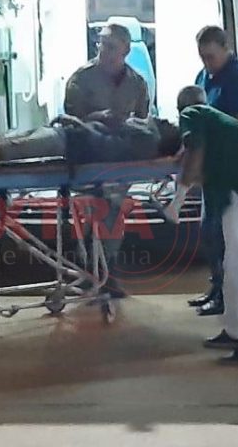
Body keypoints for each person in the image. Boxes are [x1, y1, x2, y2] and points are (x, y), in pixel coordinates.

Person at [164, 85, 238, 364]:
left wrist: (178, 200)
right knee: (234, 264)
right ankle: (237, 330)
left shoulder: (192, 113)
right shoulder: (217, 121)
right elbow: (198, 154)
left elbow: (196, 153)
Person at [63, 23, 151, 297]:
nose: (104, 50)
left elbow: (143, 122)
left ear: (126, 50)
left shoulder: (137, 83)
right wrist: (97, 117)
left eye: (111, 46)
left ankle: (105, 272)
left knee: (112, 212)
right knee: (90, 213)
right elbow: (68, 121)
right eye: (101, 44)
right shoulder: (81, 79)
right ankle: (92, 271)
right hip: (87, 155)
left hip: (119, 158)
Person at [189, 26, 238, 317]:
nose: (206, 63)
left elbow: (236, 125)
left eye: (211, 57)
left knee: (224, 236)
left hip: (231, 169)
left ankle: (226, 295)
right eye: (202, 57)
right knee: (210, 233)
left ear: (225, 49)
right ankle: (216, 287)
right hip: (212, 169)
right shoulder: (205, 76)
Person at [0, 114, 181, 171]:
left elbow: (105, 146)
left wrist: (82, 125)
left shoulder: (148, 139)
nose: (167, 120)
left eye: (171, 124)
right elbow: (107, 138)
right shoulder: (145, 133)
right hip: (66, 136)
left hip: (66, 142)